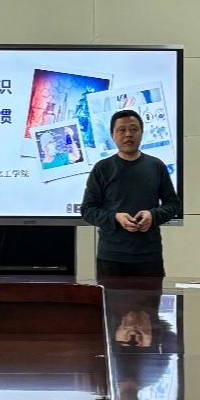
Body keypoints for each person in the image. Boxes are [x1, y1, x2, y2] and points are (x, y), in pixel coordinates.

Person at [81, 109, 182, 278]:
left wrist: (152, 215)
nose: (128, 134)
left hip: (149, 255)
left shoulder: (156, 166)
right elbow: (87, 210)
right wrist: (115, 218)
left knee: (151, 297)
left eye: (134, 129)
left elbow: (173, 204)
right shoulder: (102, 168)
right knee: (111, 297)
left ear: (142, 133)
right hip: (111, 257)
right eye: (122, 130)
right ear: (112, 135)